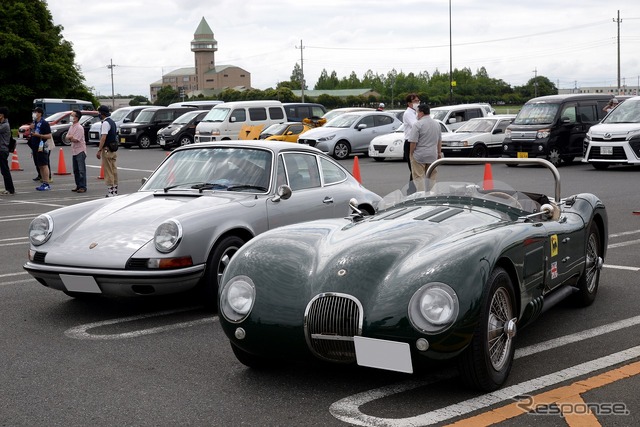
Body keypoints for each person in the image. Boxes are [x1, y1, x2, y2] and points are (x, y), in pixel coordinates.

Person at [408, 104, 442, 193]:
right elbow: (439, 141)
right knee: (432, 178)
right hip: (433, 155)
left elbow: (413, 142)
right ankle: (432, 195)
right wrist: (439, 153)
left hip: (419, 155)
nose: (417, 114)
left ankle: (422, 195)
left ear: (421, 113)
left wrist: (411, 153)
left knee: (419, 177)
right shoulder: (437, 124)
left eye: (417, 112)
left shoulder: (418, 125)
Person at [96, 105, 119, 197]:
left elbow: (103, 138)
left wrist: (99, 150)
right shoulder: (112, 122)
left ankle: (110, 193)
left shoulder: (105, 123)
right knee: (114, 170)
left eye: (99, 113)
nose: (98, 114)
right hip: (113, 149)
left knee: (108, 170)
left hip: (107, 149)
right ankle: (115, 191)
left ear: (102, 113)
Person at [30, 107, 53, 191]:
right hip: (35, 146)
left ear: (40, 113)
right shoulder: (35, 123)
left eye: (35, 112)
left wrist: (39, 135)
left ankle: (47, 183)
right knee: (39, 165)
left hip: (42, 145)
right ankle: (43, 181)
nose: (34, 114)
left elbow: (49, 136)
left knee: (44, 164)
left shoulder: (44, 123)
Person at [402, 93, 420, 193]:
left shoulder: (416, 112)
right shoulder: (408, 113)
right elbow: (415, 125)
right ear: (409, 103)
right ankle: (411, 191)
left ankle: (413, 190)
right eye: (415, 101)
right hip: (409, 143)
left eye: (418, 101)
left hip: (416, 142)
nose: (417, 103)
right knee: (413, 169)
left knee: (416, 169)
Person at [66, 110, 87, 193]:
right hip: (74, 150)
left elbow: (76, 139)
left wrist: (70, 137)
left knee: (81, 170)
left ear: (77, 117)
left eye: (72, 115)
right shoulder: (72, 126)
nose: (70, 117)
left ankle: (83, 186)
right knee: (76, 170)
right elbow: (67, 136)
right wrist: (71, 137)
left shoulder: (79, 127)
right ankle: (78, 185)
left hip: (80, 150)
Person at [0, 106, 15, 195]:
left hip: (2, 150)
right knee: (4, 170)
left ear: (2, 115)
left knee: (5, 170)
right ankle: (9, 188)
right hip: (2, 149)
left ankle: (10, 189)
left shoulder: (5, 125)